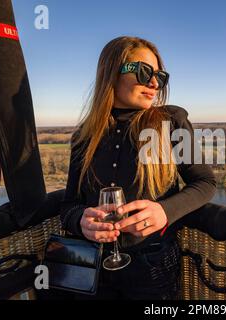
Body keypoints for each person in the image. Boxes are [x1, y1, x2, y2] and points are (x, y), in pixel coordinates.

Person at [60, 36, 216, 300]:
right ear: (112, 72)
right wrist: (80, 221)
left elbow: (205, 183)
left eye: (160, 76)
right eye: (144, 72)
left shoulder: (171, 122)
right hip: (92, 266)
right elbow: (69, 204)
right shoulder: (85, 137)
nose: (154, 83)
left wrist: (164, 211)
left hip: (152, 265)